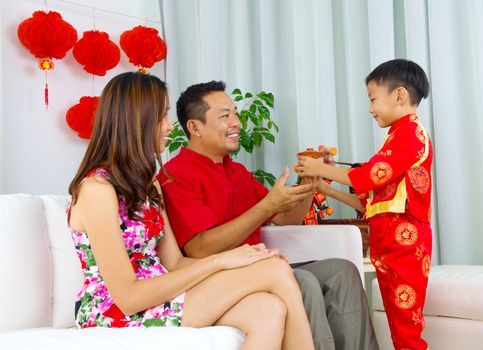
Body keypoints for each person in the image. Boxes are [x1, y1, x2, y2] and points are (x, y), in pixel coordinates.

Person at [68, 72, 316, 350]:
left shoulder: (150, 185)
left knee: (268, 309)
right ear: (136, 120)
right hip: (115, 312)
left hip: (161, 294)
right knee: (275, 270)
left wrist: (244, 258)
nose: (170, 127)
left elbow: (174, 263)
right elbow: (127, 297)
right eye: (162, 116)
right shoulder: (97, 190)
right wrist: (221, 261)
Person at [160, 81, 379, 350]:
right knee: (306, 282)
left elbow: (288, 219)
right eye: (225, 115)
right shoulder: (176, 174)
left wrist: (310, 179)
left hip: (263, 266)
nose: (237, 123)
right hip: (223, 277)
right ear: (194, 127)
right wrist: (265, 207)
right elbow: (199, 248)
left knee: (341, 270)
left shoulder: (237, 171)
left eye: (236, 114)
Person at [297, 59, 432, 350]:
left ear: (399, 96)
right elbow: (369, 199)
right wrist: (321, 185)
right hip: (390, 242)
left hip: (404, 243)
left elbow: (370, 175)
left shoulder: (410, 134)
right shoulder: (396, 136)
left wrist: (319, 169)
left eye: (373, 98)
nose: (370, 108)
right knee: (399, 327)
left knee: (406, 331)